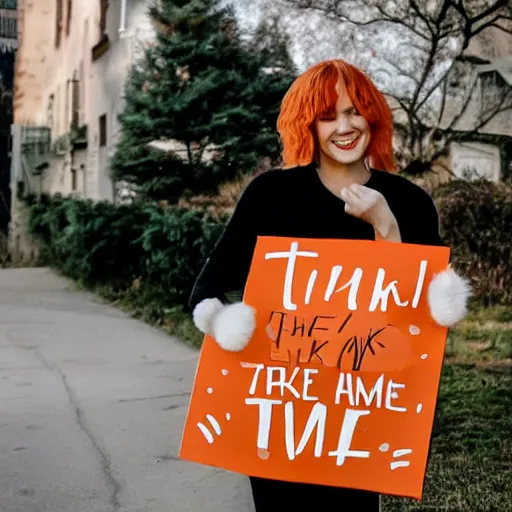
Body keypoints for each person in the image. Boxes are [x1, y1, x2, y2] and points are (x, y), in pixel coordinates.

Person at [188, 59, 471, 510]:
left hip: (362, 415)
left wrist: (386, 225)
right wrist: (230, 325)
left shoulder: (410, 203)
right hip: (283, 417)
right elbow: (207, 290)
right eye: (328, 114)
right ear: (309, 124)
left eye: (355, 110)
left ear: (372, 116)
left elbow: (420, 319)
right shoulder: (271, 196)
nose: (344, 125)